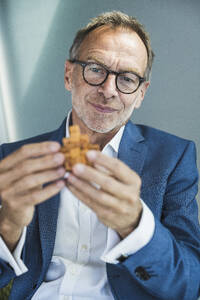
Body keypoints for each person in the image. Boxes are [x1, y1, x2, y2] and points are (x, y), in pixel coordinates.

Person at [0, 10, 199, 300]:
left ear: (141, 93)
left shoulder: (174, 157)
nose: (108, 90)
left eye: (127, 79)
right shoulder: (11, 158)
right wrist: (7, 225)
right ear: (69, 74)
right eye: (95, 69)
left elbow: (190, 284)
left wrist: (135, 225)